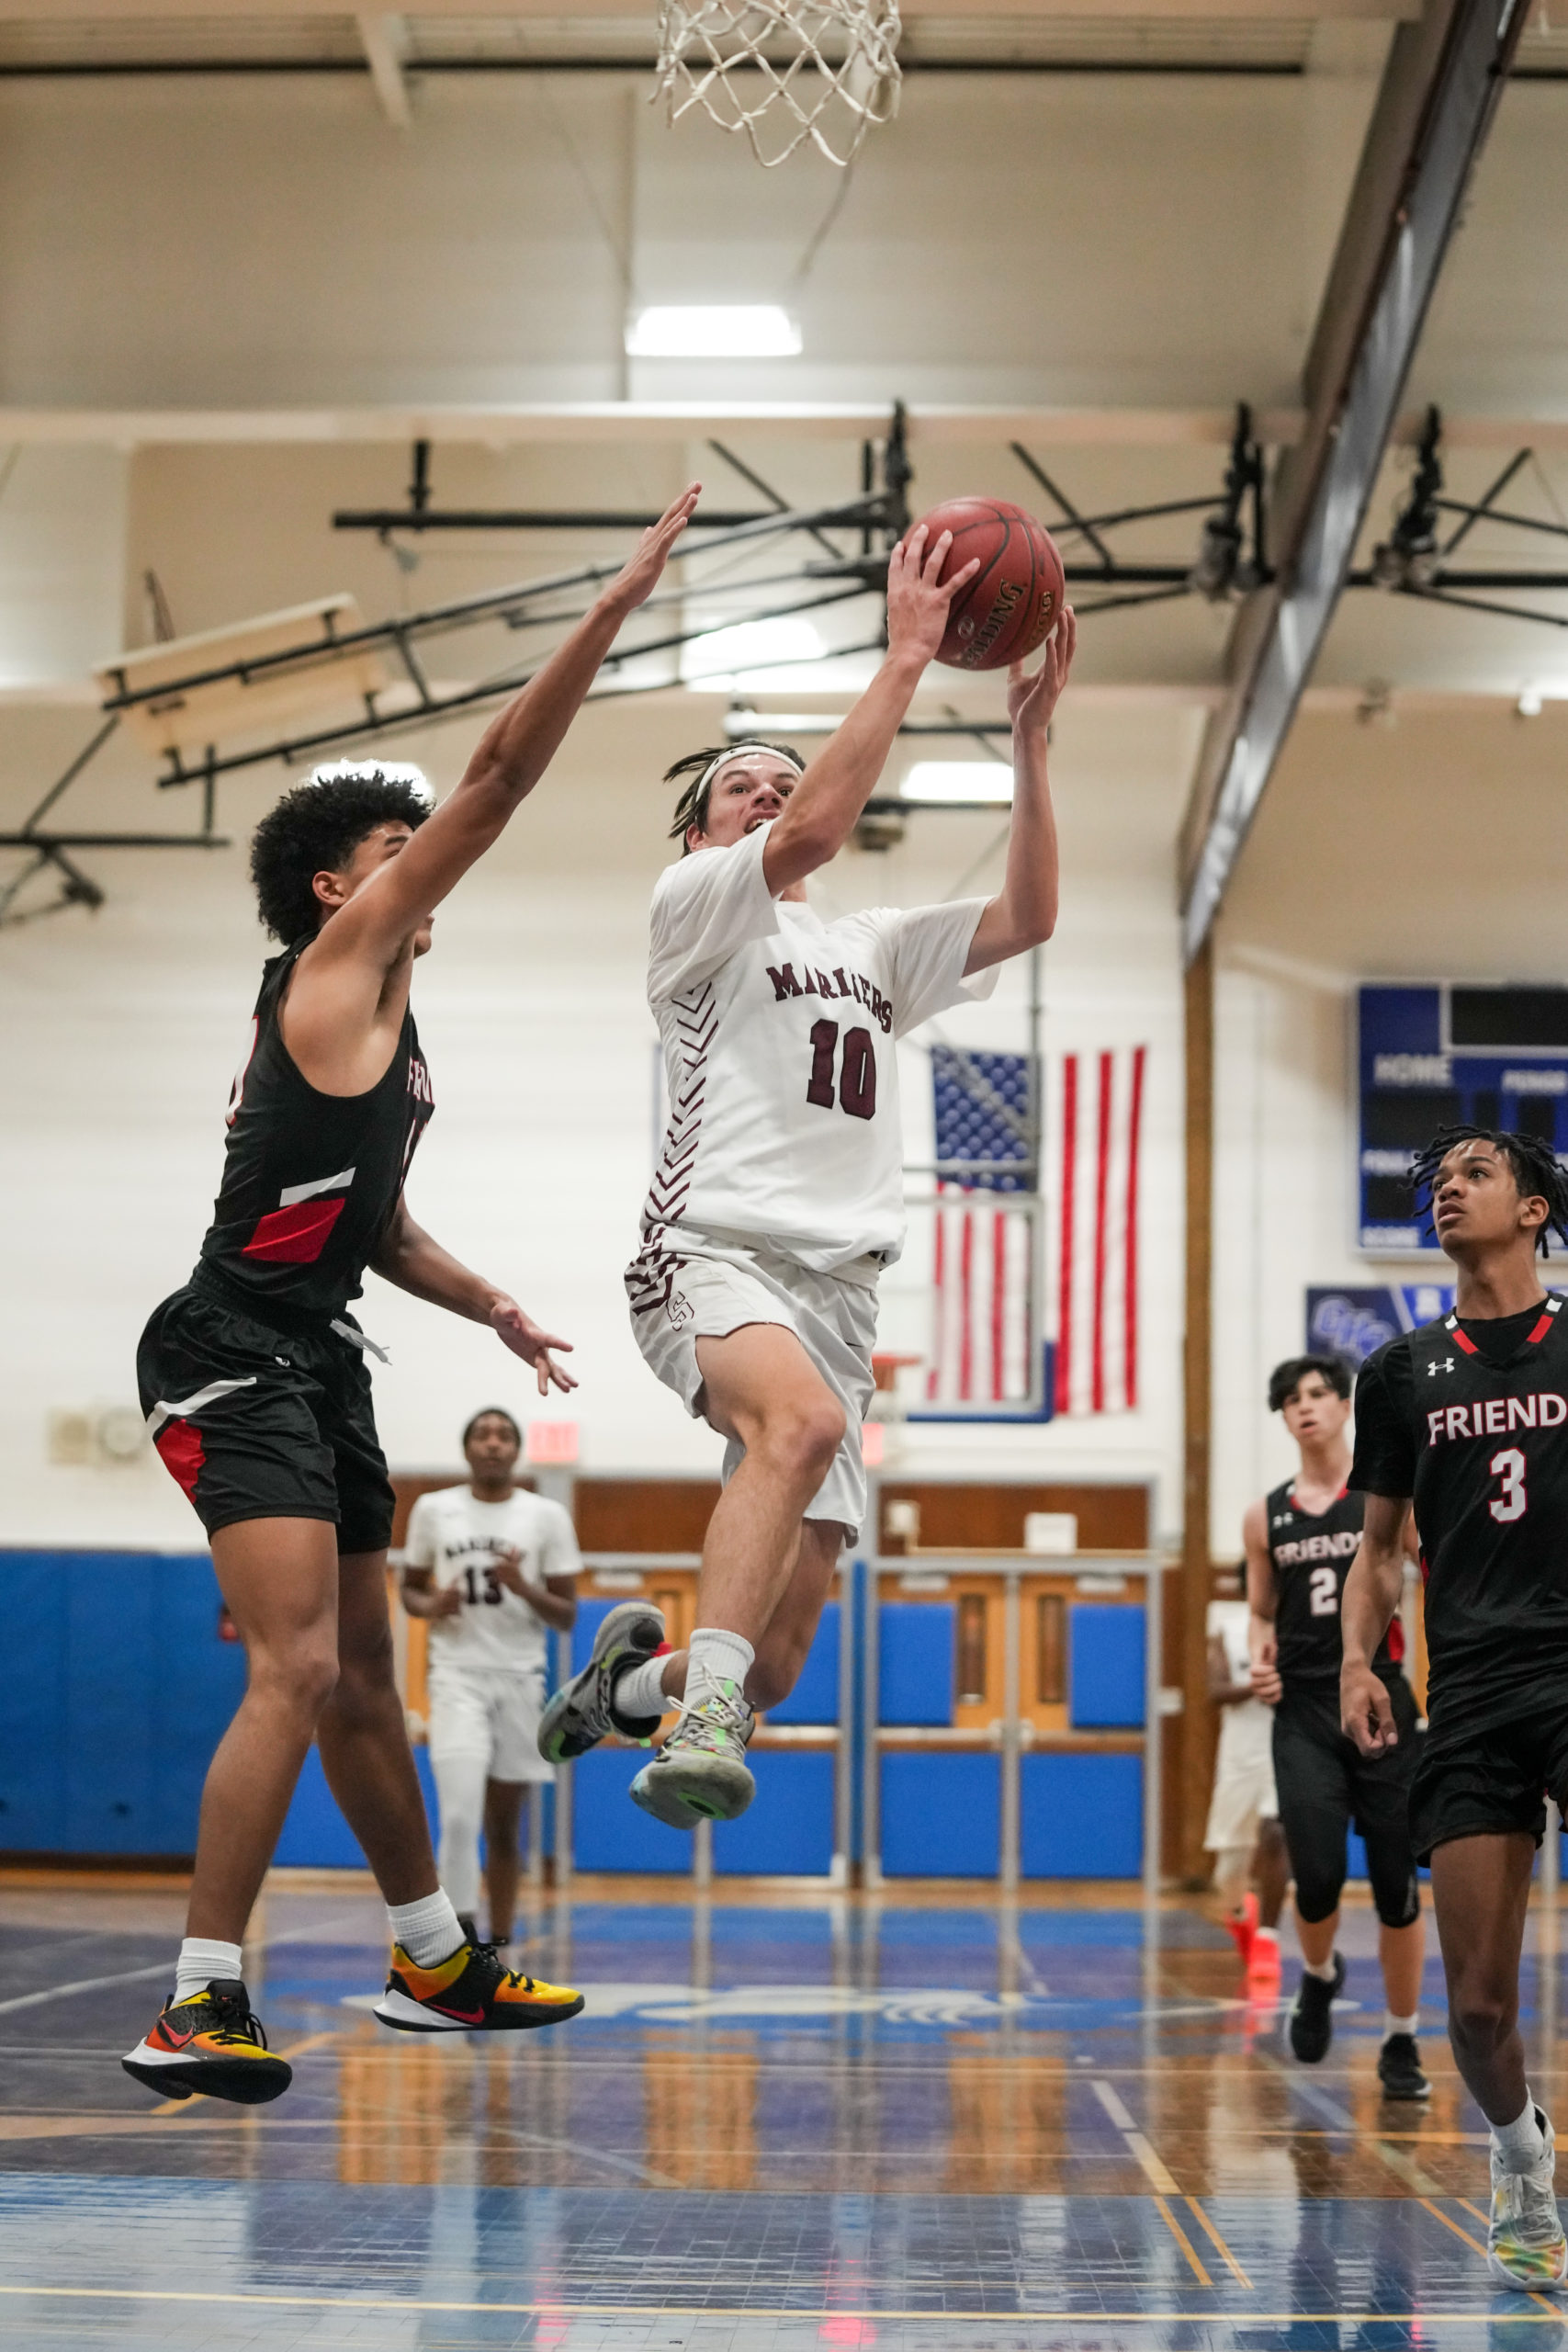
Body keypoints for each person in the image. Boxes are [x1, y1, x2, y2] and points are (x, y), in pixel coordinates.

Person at [122, 485, 699, 2106]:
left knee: (372, 1676)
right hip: (225, 1348)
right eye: (394, 848)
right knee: (297, 1670)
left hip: (316, 1349)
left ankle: (436, 1957)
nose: (422, 860)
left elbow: (367, 1227)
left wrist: (494, 1303)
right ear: (335, 890)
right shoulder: (332, 969)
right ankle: (200, 1997)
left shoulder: (389, 1037)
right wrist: (613, 606)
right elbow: (506, 775)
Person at [541, 526, 1074, 1830]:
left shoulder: (869, 943)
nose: (771, 793)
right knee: (804, 1429)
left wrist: (1028, 747)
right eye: (742, 784)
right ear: (698, 831)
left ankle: (632, 1691)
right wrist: (903, 652)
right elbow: (822, 821)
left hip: (838, 1291)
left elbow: (1027, 919)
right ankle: (695, 1720)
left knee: (777, 1657)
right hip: (710, 1248)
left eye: (784, 776)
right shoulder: (693, 910)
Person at [1342, 1125, 1568, 2290]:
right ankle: (1523, 2160)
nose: (1449, 1187)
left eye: (1476, 1173)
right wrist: (1357, 1660)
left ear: (1533, 1210)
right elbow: (1378, 1551)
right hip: (1471, 1688)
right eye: (1440, 1178)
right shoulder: (1400, 1372)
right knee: (1476, 2007)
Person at [1247, 1353, 1427, 2098]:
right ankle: (1318, 1975)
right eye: (1291, 1399)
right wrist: (1257, 1652)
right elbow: (1261, 1608)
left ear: (1343, 1406)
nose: (1306, 1407)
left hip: (1382, 1697)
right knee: (1315, 1875)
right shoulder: (1265, 1513)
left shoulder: (1388, 1497)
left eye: (1318, 1393)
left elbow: (1430, 1582)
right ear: (1283, 1418)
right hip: (1304, 1707)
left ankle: (1400, 2038)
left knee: (1395, 1883)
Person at [401, 1408, 579, 1946]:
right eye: (483, 1434)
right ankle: (459, 1936)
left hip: (520, 1677)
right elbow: (409, 1589)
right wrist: (433, 1603)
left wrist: (523, 1588)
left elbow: (567, 1615)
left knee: (504, 1828)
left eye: (504, 1436)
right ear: (467, 1448)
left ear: (518, 1450)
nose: (494, 1444)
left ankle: (499, 1942)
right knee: (458, 1816)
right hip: (456, 1676)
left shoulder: (546, 1515)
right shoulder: (434, 1509)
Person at [1203, 1568, 1289, 1992]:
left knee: (1277, 1834)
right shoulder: (1227, 1629)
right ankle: (1240, 1914)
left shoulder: (1300, 1627)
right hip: (1240, 1756)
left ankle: (1268, 1941)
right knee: (1229, 1868)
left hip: (1286, 1748)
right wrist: (1257, 1686)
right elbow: (1215, 1689)